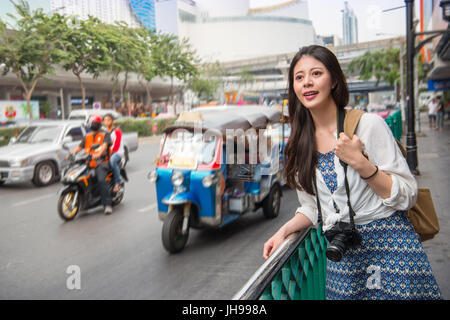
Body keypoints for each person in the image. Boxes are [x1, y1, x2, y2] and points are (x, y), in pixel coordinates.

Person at [262, 45, 441, 300]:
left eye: (316, 73)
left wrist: (360, 162)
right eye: (299, 77)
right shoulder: (300, 144)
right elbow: (313, 208)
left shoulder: (367, 125)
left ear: (334, 80)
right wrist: (282, 232)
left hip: (391, 247)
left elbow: (407, 195)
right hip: (343, 257)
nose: (307, 83)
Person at [67, 115, 113, 215]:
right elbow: (79, 147)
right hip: (88, 163)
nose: (93, 125)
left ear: (99, 125)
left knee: (101, 180)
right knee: (79, 178)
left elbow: (104, 147)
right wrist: (71, 154)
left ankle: (107, 204)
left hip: (102, 163)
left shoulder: (105, 135)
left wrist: (99, 154)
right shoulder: (87, 136)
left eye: (94, 123)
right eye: (92, 123)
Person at [103, 113, 124, 193]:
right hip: (107, 153)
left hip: (117, 153)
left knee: (112, 161)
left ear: (112, 121)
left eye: (108, 120)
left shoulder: (117, 131)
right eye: (105, 120)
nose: (106, 122)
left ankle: (117, 183)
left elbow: (116, 145)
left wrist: (110, 152)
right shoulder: (104, 132)